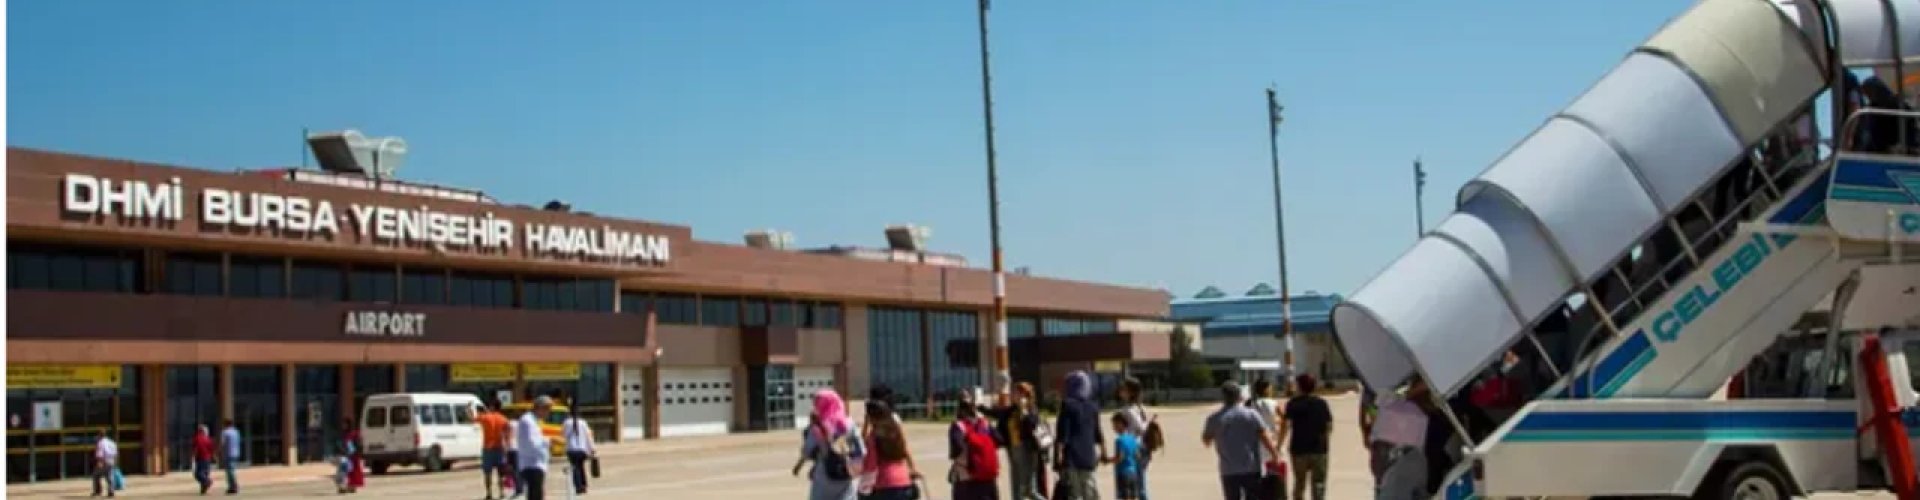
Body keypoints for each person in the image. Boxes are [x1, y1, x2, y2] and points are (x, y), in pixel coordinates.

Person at [1202, 381, 1279, 500]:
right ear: (1240, 396)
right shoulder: (1251, 414)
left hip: (1228, 469)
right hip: (1251, 467)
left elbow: (1206, 440)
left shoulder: (1214, 418)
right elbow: (1264, 436)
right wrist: (1274, 454)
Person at [795, 389, 864, 500]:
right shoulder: (850, 424)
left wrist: (798, 466)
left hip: (823, 474)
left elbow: (807, 451)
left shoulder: (816, 427)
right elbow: (860, 450)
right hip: (845, 471)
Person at [983, 382, 1048, 500]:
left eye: (1016, 393)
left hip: (1027, 450)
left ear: (1024, 395)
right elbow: (998, 413)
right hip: (1013, 450)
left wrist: (1024, 411)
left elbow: (1032, 425)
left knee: (1029, 490)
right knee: (1016, 487)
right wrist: (981, 408)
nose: (1013, 395)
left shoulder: (1031, 409)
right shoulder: (1011, 410)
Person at [1281, 374, 1333, 500]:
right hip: (1319, 449)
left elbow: (1286, 425)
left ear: (1299, 386)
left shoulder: (1292, 404)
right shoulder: (1321, 403)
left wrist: (1279, 444)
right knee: (1319, 484)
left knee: (1299, 483)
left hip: (1299, 449)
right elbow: (1329, 425)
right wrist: (1325, 441)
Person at [1054, 370, 1105, 500]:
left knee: (1074, 493)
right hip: (1088, 455)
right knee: (1089, 491)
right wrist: (1103, 451)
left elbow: (1063, 433)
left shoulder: (1067, 405)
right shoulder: (1093, 406)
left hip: (1071, 455)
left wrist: (1059, 455)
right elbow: (1097, 432)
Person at [863, 401, 924, 500]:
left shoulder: (874, 436)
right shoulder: (895, 431)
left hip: (886, 483)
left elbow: (871, 465)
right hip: (904, 480)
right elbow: (905, 450)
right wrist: (912, 469)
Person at [948, 389, 999, 500]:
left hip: (965, 478)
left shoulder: (958, 426)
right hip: (987, 476)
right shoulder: (985, 424)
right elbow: (999, 440)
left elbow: (957, 448)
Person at [1116, 377, 1157, 500]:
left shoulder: (1128, 410)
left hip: (1135, 448)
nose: (1121, 391)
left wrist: (1148, 423)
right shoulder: (1139, 408)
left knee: (1137, 485)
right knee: (1139, 483)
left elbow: (1140, 428)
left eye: (1124, 389)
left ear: (1131, 392)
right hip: (1142, 447)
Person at [515, 396, 555, 500]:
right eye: (548, 410)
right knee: (535, 495)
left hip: (536, 464)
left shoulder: (534, 421)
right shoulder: (528, 421)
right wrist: (549, 442)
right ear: (541, 408)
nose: (548, 414)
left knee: (537, 494)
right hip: (532, 464)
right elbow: (532, 443)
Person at [1105, 413, 1144, 500]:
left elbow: (1120, 458)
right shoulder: (1132, 438)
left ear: (1121, 424)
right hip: (1133, 473)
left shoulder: (1119, 440)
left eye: (1114, 425)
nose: (1113, 428)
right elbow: (1138, 456)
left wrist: (1107, 460)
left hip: (1123, 473)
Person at [478, 402, 512, 500]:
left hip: (487, 448)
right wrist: (507, 449)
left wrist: (468, 409)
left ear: (492, 406)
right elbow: (508, 436)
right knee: (500, 473)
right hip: (500, 448)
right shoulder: (504, 419)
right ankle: (501, 492)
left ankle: (489, 493)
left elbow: (472, 418)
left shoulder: (485, 417)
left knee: (487, 473)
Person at [562, 410, 597, 495]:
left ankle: (578, 486)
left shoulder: (566, 423)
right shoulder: (583, 423)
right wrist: (592, 448)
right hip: (582, 449)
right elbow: (588, 436)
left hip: (571, 449)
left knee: (575, 467)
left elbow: (564, 435)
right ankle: (584, 485)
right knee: (581, 466)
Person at [336, 417, 365, 494]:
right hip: (346, 455)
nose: (343, 426)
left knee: (353, 471)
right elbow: (341, 444)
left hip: (353, 455)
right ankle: (344, 486)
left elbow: (358, 444)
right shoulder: (343, 434)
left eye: (345, 424)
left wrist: (355, 451)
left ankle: (352, 486)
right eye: (343, 424)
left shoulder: (354, 433)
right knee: (345, 471)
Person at [92, 430, 118, 497]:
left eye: (97, 435)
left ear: (99, 435)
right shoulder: (112, 442)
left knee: (96, 475)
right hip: (111, 461)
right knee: (110, 477)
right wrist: (115, 462)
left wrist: (99, 462)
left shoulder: (100, 443)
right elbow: (115, 453)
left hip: (104, 461)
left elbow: (100, 453)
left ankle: (98, 491)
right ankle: (111, 491)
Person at [220, 419, 242, 495]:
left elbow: (223, 444)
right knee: (232, 470)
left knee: (229, 471)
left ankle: (233, 486)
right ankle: (231, 486)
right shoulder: (236, 432)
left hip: (228, 454)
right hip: (236, 453)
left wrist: (220, 452)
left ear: (226, 424)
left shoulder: (225, 432)